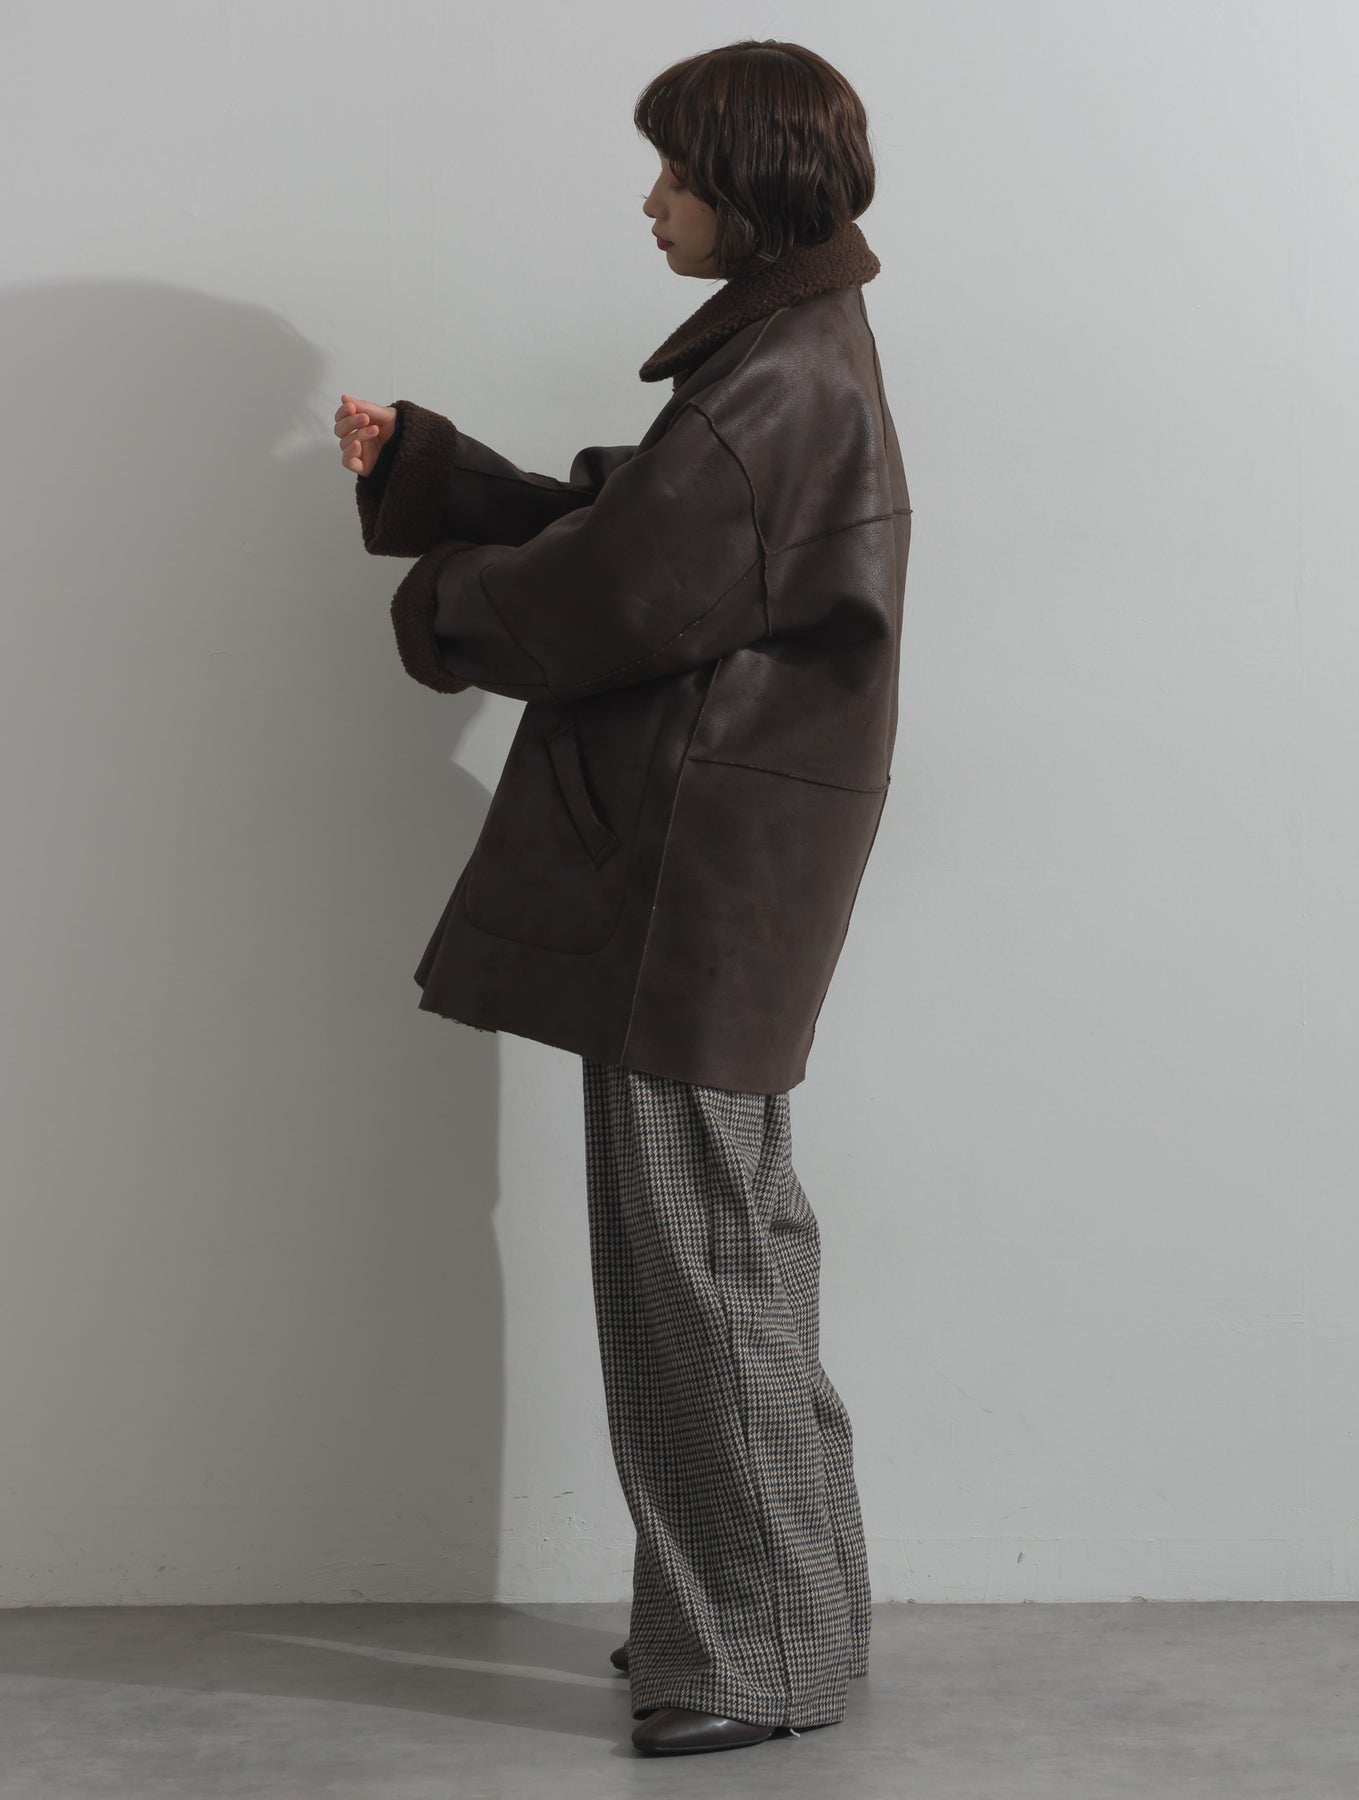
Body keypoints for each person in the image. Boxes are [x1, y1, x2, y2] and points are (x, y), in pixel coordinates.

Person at [334, 37, 909, 1758]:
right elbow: (642, 532)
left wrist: (438, 592)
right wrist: (437, 478)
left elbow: (607, 599)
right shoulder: (789, 356)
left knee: (697, 1270)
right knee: (731, 1252)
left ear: (747, 186)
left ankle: (755, 1659)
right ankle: (792, 1615)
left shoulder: (772, 386)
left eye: (672, 173)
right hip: (719, 871)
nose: (650, 202)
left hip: (693, 878)